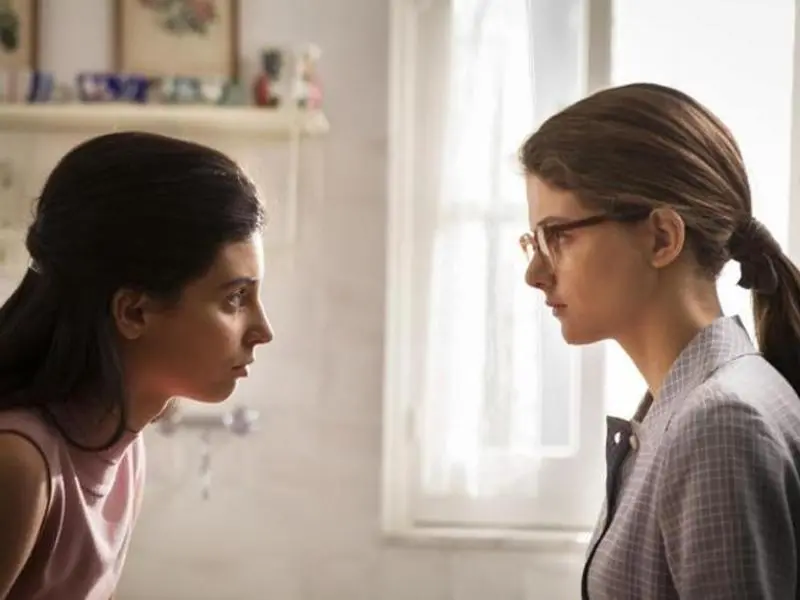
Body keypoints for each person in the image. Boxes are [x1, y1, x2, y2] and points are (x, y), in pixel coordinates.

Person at [519, 82, 800, 599]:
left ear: (662, 238)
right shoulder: (691, 405)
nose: (534, 273)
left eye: (558, 236)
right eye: (533, 241)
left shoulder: (719, 424)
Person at [0, 131, 274, 600]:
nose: (263, 330)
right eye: (235, 298)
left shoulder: (124, 448)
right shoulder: (19, 466)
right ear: (133, 312)